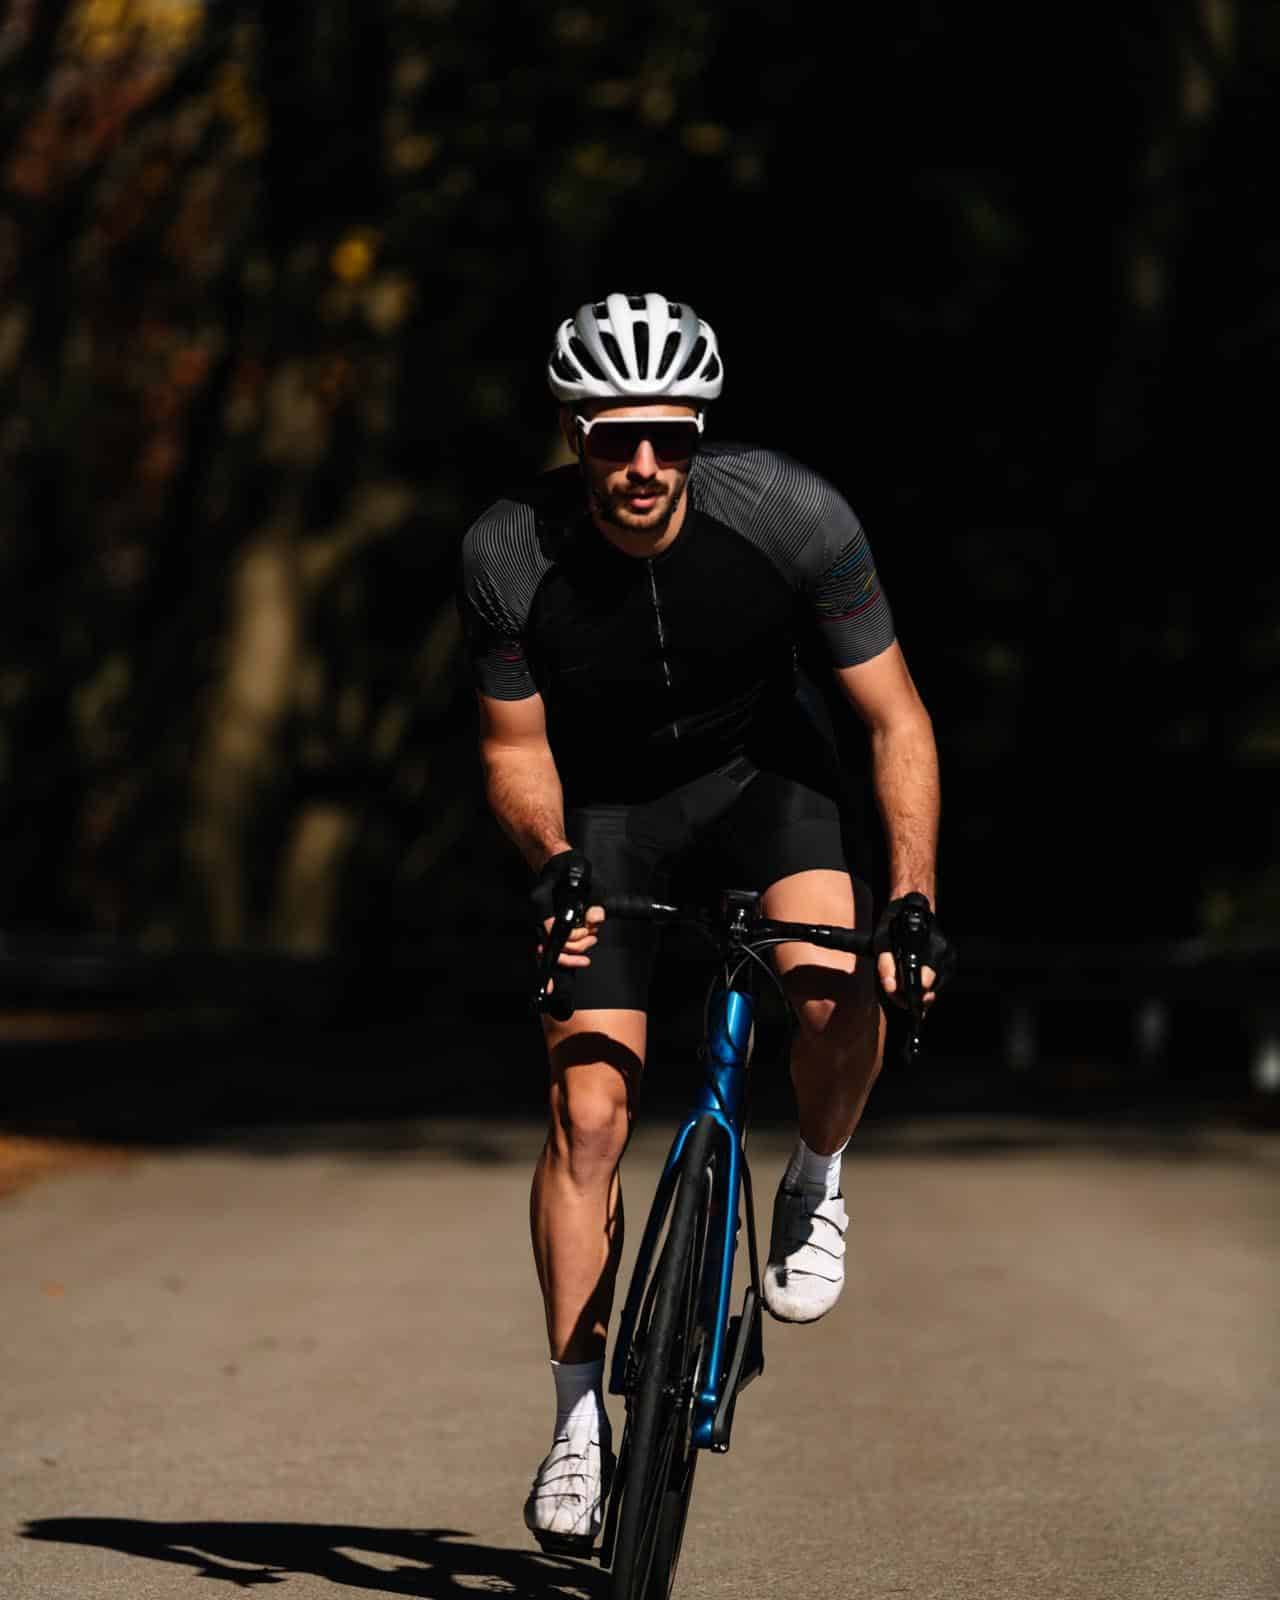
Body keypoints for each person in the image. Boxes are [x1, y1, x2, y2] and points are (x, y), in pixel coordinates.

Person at [456, 292, 951, 1554]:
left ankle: (818, 1177)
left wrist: (910, 899)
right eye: (614, 435)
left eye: (667, 438)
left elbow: (893, 720)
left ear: (696, 433)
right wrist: (554, 861)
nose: (640, 465)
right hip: (606, 810)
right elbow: (514, 749)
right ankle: (577, 1420)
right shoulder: (508, 552)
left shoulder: (791, 515)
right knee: (588, 1109)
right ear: (573, 431)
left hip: (764, 783)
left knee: (844, 991)